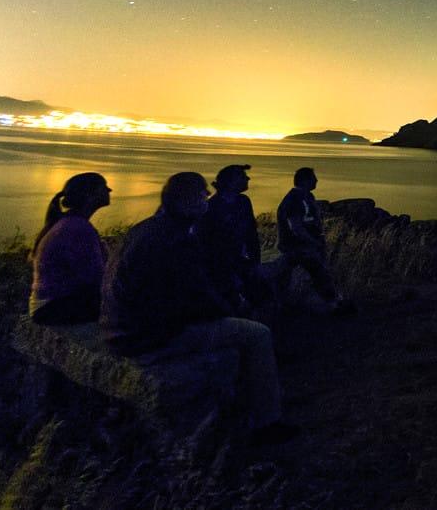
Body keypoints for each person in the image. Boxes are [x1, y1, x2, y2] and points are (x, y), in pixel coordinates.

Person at [101, 171, 298, 444]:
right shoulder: (176, 240)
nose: (207, 196)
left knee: (238, 320)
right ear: (185, 201)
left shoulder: (147, 229)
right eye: (201, 193)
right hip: (147, 339)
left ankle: (251, 396)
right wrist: (232, 308)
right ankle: (268, 421)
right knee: (257, 334)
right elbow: (198, 300)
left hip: (122, 330)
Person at [29, 172, 112, 324]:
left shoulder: (70, 222)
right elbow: (95, 277)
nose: (109, 190)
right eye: (104, 187)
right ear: (89, 195)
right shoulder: (77, 228)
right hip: (54, 307)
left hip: (51, 303)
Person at [276, 167, 353, 315]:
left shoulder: (307, 197)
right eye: (313, 178)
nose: (316, 181)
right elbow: (296, 226)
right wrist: (312, 242)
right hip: (298, 247)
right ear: (305, 180)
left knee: (315, 273)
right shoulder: (295, 199)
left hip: (306, 245)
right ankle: (333, 304)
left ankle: (330, 302)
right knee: (319, 273)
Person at [199, 163, 262, 312]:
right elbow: (209, 244)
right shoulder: (211, 207)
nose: (248, 178)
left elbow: (251, 234)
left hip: (244, 263)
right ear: (231, 181)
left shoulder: (244, 202)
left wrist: (255, 262)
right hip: (221, 268)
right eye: (242, 176)